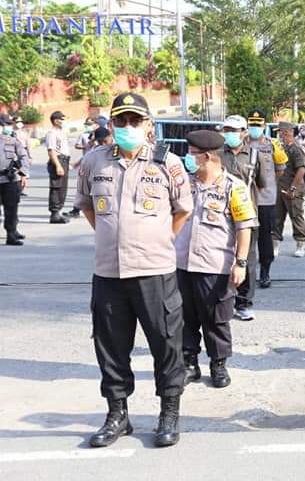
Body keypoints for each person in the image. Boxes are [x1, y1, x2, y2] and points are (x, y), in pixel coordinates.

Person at [75, 92, 192, 448]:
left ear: (148, 125)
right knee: (110, 346)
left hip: (154, 271)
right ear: (111, 124)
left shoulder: (167, 164)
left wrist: (155, 241)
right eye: (121, 121)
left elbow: (182, 210)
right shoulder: (94, 162)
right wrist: (114, 239)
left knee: (166, 345)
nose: (127, 127)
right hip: (109, 273)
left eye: (134, 121)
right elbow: (87, 206)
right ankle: (117, 414)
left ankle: (168, 413)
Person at [175, 129, 256, 389]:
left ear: (207, 157)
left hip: (214, 265)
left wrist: (240, 263)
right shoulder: (184, 184)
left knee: (216, 318)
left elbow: (245, 226)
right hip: (181, 263)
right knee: (184, 317)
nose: (188, 157)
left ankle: (218, 364)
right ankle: (189, 363)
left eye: (192, 153)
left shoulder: (234, 187)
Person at [222, 115, 270, 321]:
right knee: (222, 257)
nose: (230, 134)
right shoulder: (216, 154)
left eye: (234, 130)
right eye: (227, 130)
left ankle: (244, 303)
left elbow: (261, 183)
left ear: (244, 132)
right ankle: (225, 301)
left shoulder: (253, 156)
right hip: (220, 214)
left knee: (247, 260)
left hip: (247, 215)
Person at [247, 109, 288, 288]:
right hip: (245, 200)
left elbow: (280, 170)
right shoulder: (241, 143)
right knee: (245, 237)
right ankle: (245, 273)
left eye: (258, 125)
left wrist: (267, 183)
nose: (255, 128)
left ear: (264, 126)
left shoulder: (273, 146)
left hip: (265, 199)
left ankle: (265, 272)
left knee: (265, 237)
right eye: (252, 125)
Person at [274, 122, 305, 258]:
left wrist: (293, 188)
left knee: (296, 216)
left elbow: (301, 170)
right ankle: (275, 245)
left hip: (293, 189)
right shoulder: (279, 149)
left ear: (287, 133)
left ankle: (300, 245)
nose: (279, 135)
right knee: (276, 218)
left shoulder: (295, 149)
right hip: (280, 188)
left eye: (281, 132)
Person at [0, 114, 29, 246]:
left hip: (10, 180)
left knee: (11, 209)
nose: (6, 127)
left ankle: (11, 235)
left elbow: (23, 157)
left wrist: (23, 174)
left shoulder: (12, 141)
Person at [45, 110, 71, 224]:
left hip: (64, 160)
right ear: (55, 121)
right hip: (58, 160)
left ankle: (58, 211)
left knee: (63, 188)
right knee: (56, 187)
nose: (63, 121)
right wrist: (58, 165)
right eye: (61, 119)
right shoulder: (52, 133)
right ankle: (54, 213)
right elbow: (51, 151)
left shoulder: (61, 132)